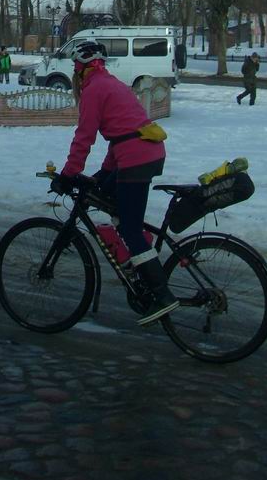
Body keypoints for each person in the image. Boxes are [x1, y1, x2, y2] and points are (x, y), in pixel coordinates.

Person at [51, 40, 179, 326]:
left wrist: (68, 174)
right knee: (107, 199)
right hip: (138, 152)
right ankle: (137, 264)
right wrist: (101, 175)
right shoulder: (110, 84)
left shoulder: (94, 89)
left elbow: (85, 136)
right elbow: (120, 132)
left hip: (136, 157)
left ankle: (161, 294)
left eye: (75, 67)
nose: (74, 72)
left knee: (130, 227)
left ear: (83, 68)